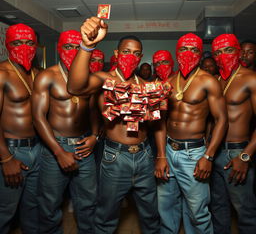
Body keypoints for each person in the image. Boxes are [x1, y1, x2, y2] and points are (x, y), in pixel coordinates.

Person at [67, 17, 165, 234]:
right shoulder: (104, 78)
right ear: (117, 53)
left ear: (141, 57)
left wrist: (161, 156)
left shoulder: (147, 85)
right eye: (127, 51)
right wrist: (87, 45)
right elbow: (74, 87)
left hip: (144, 155)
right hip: (115, 157)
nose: (131, 56)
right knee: (106, 215)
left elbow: (158, 124)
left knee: (150, 214)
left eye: (136, 53)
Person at [156, 33, 227, 234]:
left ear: (200, 54)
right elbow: (161, 121)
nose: (188, 54)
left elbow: (222, 119)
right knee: (166, 207)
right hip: (169, 149)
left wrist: (208, 156)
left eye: (194, 49)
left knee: (197, 212)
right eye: (183, 49)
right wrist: (161, 155)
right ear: (176, 52)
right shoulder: (168, 82)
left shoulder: (208, 81)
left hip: (194, 153)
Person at [32, 30, 98, 234]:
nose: (73, 51)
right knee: (49, 205)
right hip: (56, 146)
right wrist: (58, 152)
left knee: (88, 203)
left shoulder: (90, 78)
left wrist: (95, 136)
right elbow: (38, 117)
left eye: (78, 47)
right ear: (59, 49)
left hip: (84, 146)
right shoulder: (47, 76)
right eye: (68, 47)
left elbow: (94, 111)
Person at [210, 34, 256, 234]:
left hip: (238, 152)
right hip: (214, 152)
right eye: (218, 52)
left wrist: (246, 156)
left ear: (237, 51)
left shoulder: (250, 78)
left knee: (245, 211)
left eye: (228, 50)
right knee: (218, 208)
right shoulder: (215, 81)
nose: (223, 56)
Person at [0, 23, 42, 234]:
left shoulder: (38, 74)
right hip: (12, 150)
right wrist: (6, 159)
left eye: (29, 43)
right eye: (17, 43)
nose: (24, 47)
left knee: (33, 209)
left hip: (37, 148)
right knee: (5, 211)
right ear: (7, 45)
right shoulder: (2, 73)